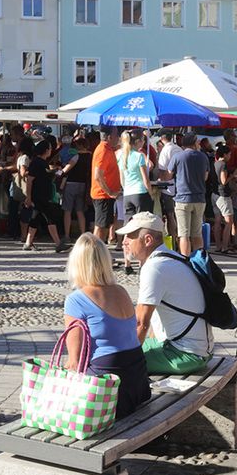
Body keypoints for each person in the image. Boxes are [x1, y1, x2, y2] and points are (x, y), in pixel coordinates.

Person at [63, 233, 151, 418]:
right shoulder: (122, 291)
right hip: (137, 381)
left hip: (108, 388)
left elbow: (74, 361)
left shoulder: (76, 300)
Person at [118, 211, 215, 374]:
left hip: (186, 354)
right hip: (195, 349)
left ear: (147, 240)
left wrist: (126, 361)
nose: (124, 242)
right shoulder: (170, 256)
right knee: (114, 348)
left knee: (112, 362)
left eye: (129, 236)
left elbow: (141, 323)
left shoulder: (155, 267)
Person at [169, 133, 210, 256]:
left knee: (184, 234)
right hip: (199, 198)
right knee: (197, 234)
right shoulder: (203, 157)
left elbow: (169, 173)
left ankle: (185, 261)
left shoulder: (178, 157)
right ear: (194, 142)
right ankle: (199, 260)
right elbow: (205, 177)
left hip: (182, 198)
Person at [22, 137, 66, 252]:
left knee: (35, 218)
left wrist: (56, 172)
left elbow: (44, 175)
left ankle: (28, 243)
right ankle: (58, 243)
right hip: (39, 196)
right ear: (46, 150)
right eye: (50, 148)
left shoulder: (41, 162)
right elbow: (30, 180)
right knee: (50, 217)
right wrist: (28, 197)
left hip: (41, 195)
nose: (51, 150)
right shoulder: (37, 163)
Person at [118, 130, 153, 271]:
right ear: (138, 141)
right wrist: (150, 193)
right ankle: (141, 261)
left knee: (128, 228)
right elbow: (146, 180)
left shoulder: (122, 156)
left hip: (128, 194)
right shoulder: (139, 156)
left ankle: (127, 262)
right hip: (140, 193)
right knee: (142, 228)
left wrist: (127, 189)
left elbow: (122, 180)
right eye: (143, 141)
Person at [90, 129, 123, 245]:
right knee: (100, 227)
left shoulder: (107, 149)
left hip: (105, 196)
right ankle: (94, 255)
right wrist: (110, 192)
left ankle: (99, 254)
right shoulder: (103, 150)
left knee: (104, 226)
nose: (118, 138)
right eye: (116, 135)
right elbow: (98, 175)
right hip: (102, 195)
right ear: (109, 137)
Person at [213, 145, 237, 255]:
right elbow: (223, 181)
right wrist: (232, 175)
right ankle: (224, 247)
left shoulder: (214, 163)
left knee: (217, 221)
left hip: (214, 194)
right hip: (223, 195)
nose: (230, 156)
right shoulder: (223, 165)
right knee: (229, 221)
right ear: (224, 154)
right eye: (229, 154)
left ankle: (218, 246)